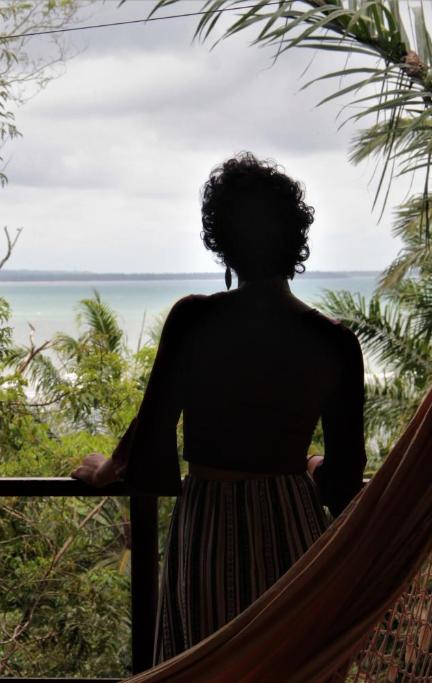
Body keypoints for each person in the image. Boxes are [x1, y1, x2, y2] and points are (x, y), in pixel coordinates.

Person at [71, 153, 366, 664]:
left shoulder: (194, 321)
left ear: (221, 242)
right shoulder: (335, 343)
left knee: (205, 669)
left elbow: (152, 440)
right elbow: (344, 483)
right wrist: (311, 464)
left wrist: (105, 471)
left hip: (209, 531)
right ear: (295, 241)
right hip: (294, 536)